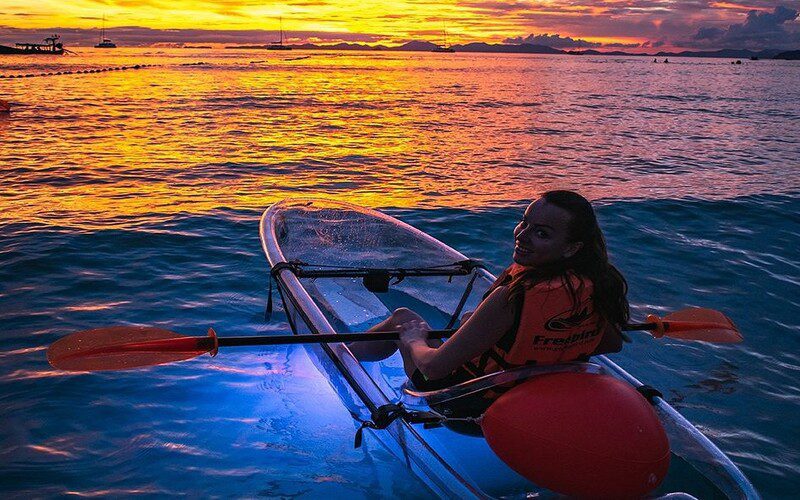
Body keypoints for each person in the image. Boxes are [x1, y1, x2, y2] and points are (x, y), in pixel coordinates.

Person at [350, 190, 629, 396]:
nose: (522, 235)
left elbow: (432, 369)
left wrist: (414, 341)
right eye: (524, 222)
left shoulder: (512, 296)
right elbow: (610, 343)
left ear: (571, 248)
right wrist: (552, 345)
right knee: (465, 321)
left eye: (542, 233)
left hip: (467, 400)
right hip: (539, 395)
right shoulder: (602, 285)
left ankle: (337, 358)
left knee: (402, 318)